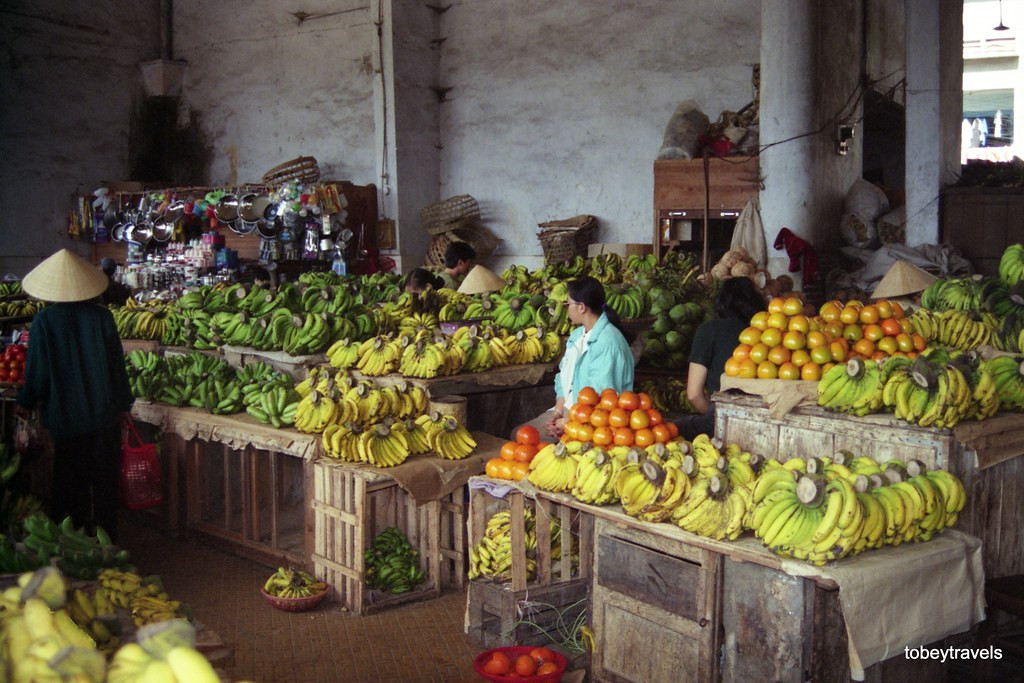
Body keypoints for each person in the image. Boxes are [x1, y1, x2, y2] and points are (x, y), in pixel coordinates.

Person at [15, 249, 134, 541]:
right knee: (104, 483)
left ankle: (74, 543)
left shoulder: (44, 321)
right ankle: (108, 542)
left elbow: (38, 372)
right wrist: (123, 405)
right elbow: (116, 366)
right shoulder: (102, 317)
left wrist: (26, 401)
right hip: (104, 414)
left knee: (70, 483)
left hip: (66, 419)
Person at [539, 276, 635, 439]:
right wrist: (558, 411)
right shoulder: (577, 336)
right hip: (571, 412)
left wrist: (568, 423)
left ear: (581, 307)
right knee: (521, 434)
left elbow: (602, 400)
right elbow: (562, 378)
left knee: (528, 442)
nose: (566, 308)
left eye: (568, 304)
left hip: (597, 424)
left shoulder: (608, 343)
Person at [675, 277, 766, 440]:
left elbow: (693, 395)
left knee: (672, 428)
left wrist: (719, 417)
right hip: (763, 416)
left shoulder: (709, 330)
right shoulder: (766, 333)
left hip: (722, 413)